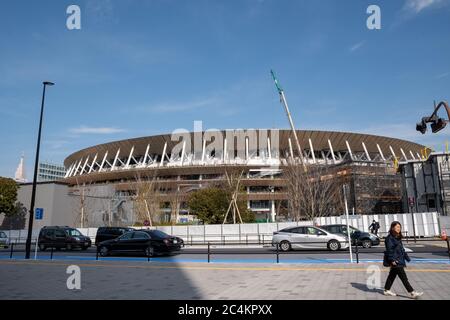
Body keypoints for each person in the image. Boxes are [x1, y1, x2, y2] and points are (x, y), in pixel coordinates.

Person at [383, 221, 423, 298]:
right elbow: (389, 250)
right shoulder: (389, 238)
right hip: (396, 261)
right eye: (397, 227)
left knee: (392, 276)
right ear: (392, 227)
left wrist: (407, 258)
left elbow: (401, 249)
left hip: (399, 259)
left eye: (400, 227)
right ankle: (412, 292)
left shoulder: (397, 237)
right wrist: (392, 260)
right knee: (403, 277)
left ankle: (386, 290)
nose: (399, 228)